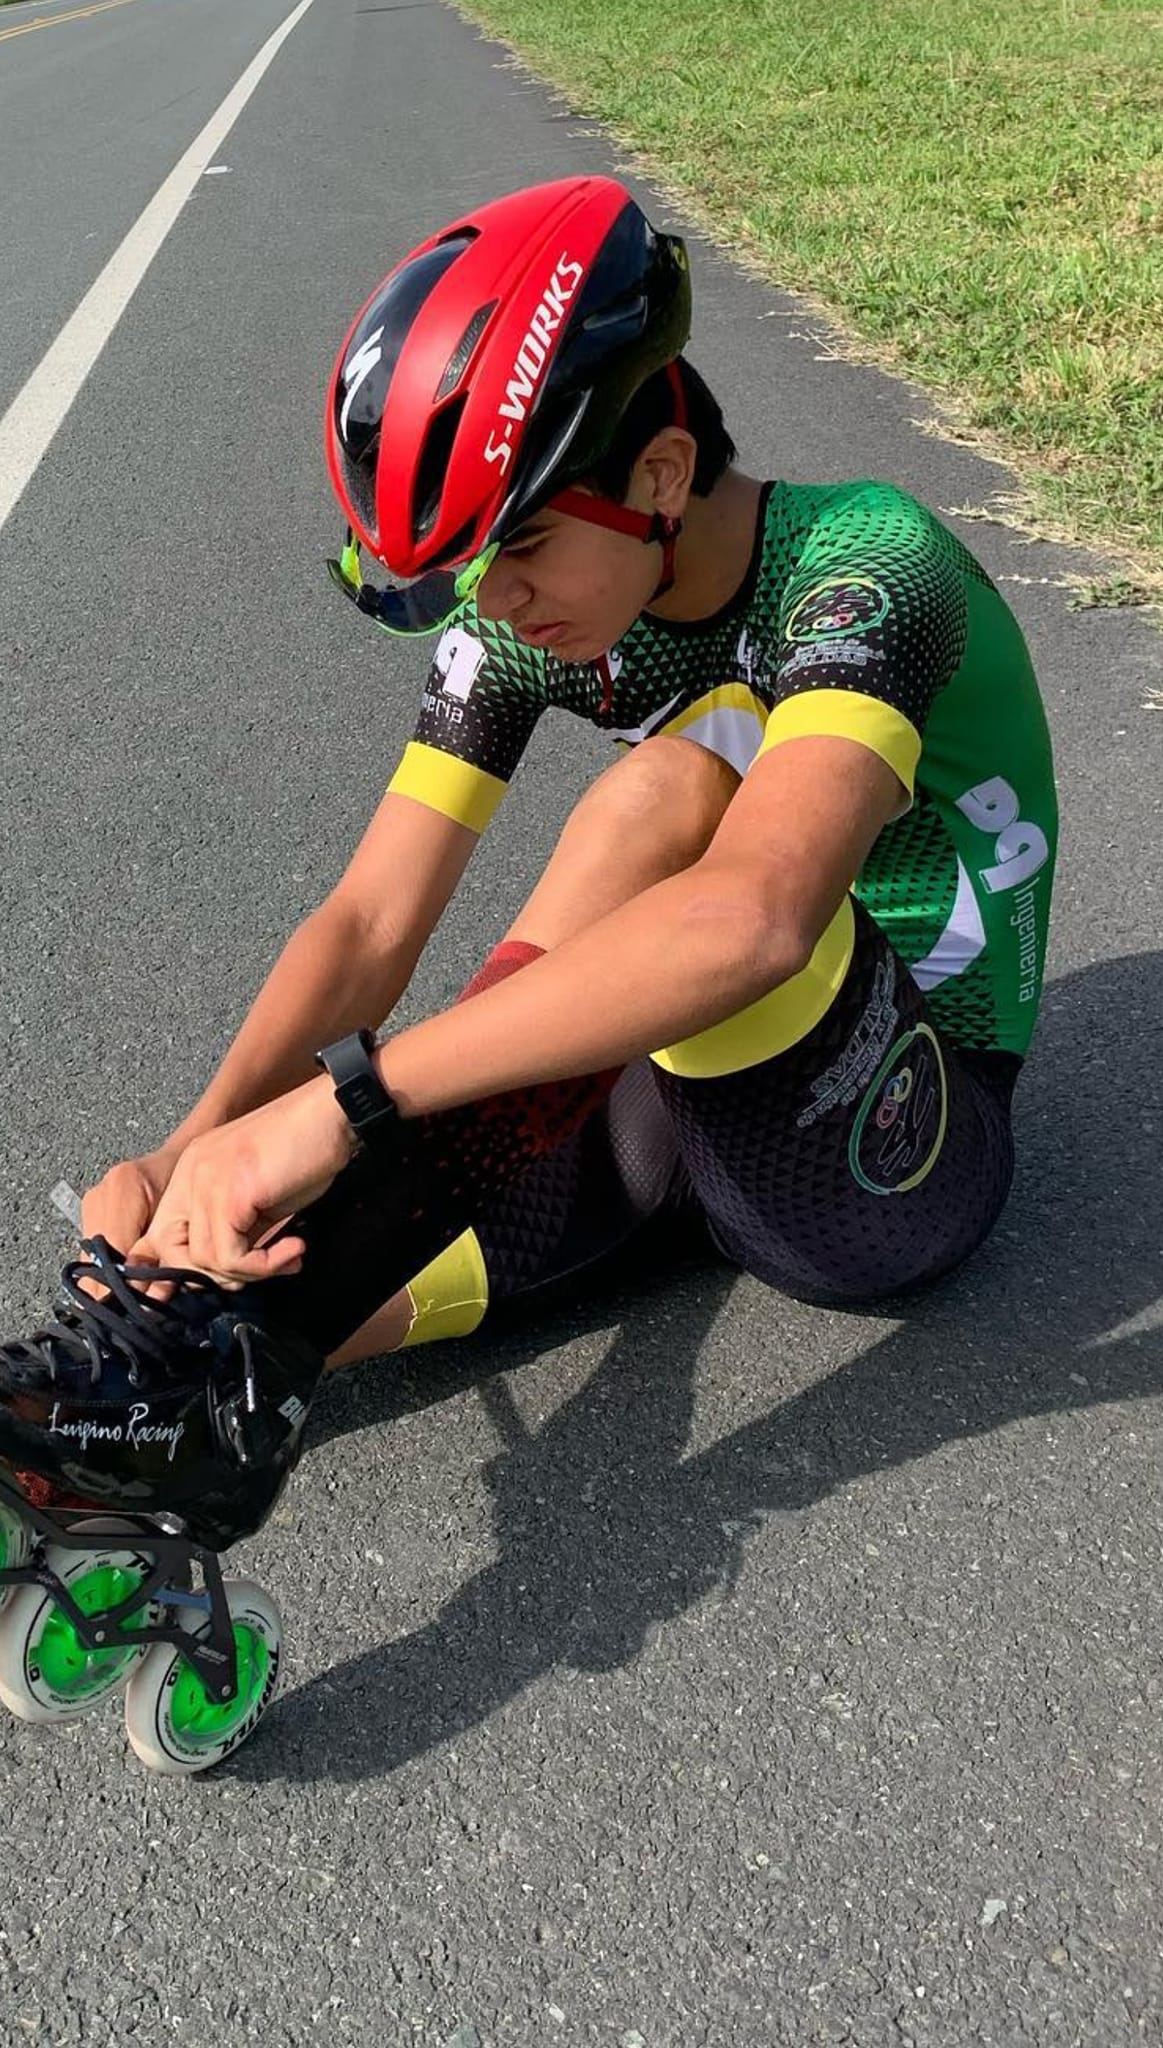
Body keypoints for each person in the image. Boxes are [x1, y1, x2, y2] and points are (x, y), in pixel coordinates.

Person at [0, 174, 1058, 1472]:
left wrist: (338, 1109)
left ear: (661, 473)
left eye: (523, 547)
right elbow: (371, 919)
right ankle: (145, 1410)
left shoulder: (869, 564)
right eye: (465, 569)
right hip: (687, 1076)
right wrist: (198, 1148)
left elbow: (756, 919)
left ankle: (278, 1281)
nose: (494, 602)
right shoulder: (535, 608)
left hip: (900, 1131)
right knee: (254, 1315)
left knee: (665, 793)